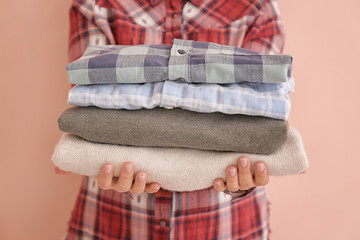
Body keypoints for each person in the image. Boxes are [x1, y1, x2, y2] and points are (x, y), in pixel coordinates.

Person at [56, 0, 285, 239]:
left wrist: (245, 178)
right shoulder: (95, 5)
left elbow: (262, 109)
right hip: (113, 221)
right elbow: (90, 97)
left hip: (228, 225)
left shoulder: (257, 7)